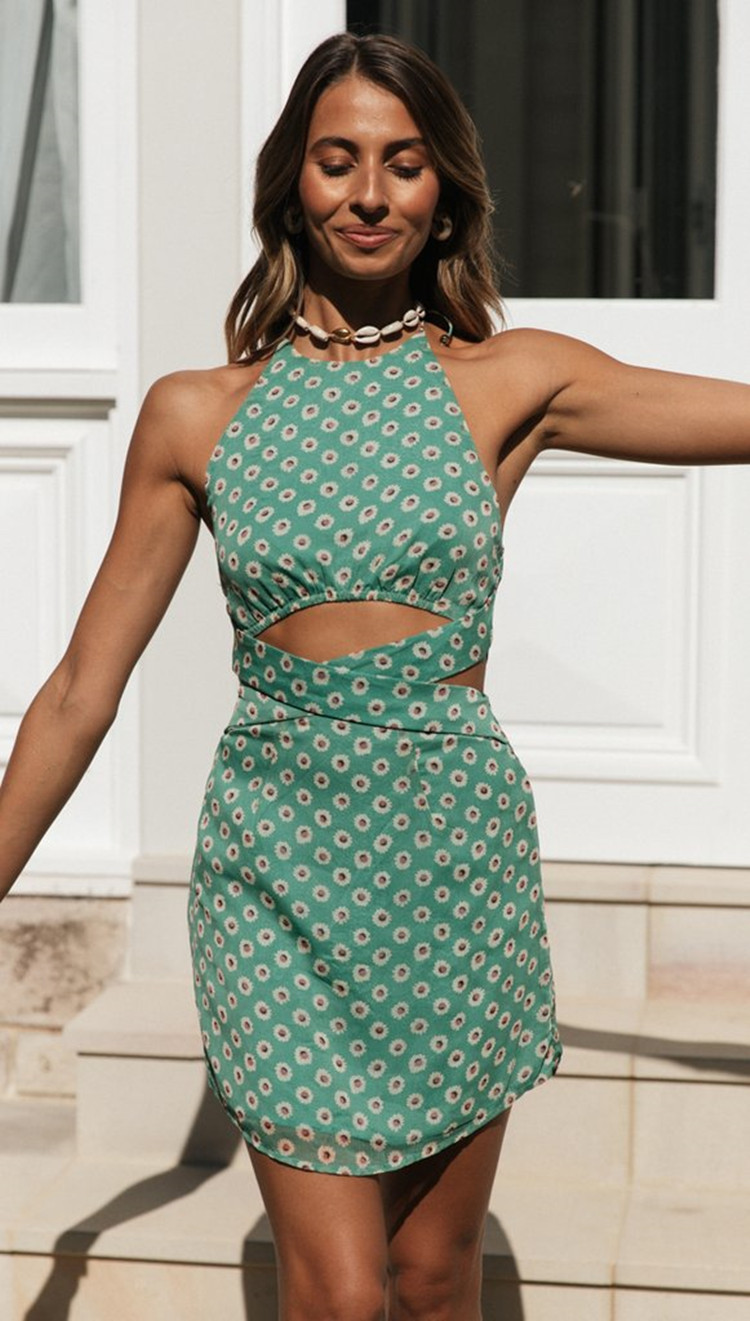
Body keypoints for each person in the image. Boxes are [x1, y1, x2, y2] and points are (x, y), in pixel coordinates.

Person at [1, 29, 749, 1321]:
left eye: (402, 164)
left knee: (433, 1276)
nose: (368, 193)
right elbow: (81, 687)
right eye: (336, 159)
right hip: (276, 870)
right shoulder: (195, 411)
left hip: (452, 860)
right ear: (291, 184)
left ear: (443, 190)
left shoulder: (513, 381)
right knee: (341, 1297)